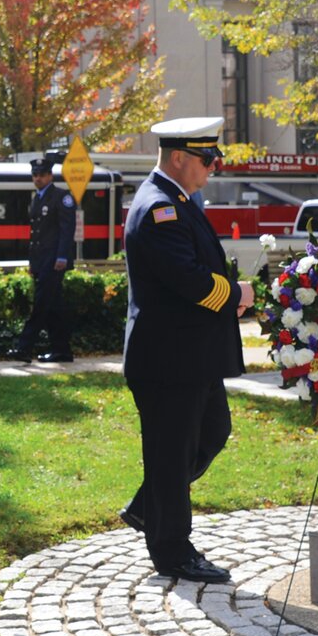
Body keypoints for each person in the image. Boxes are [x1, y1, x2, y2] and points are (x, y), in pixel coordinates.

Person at [120, 116, 252, 584]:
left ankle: (148, 505)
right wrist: (236, 295)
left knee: (212, 433)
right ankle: (172, 550)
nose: (212, 167)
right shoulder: (161, 208)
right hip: (168, 361)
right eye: (206, 158)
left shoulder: (177, 199)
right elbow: (189, 280)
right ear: (179, 157)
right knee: (172, 456)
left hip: (188, 356)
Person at [7, 157, 75, 363]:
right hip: (41, 261)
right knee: (53, 308)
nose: (38, 178)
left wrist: (62, 257)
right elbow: (35, 235)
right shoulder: (37, 198)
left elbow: (66, 230)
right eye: (35, 175)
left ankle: (24, 348)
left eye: (42, 175)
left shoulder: (62, 197)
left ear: (50, 176)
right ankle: (62, 351)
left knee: (40, 305)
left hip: (54, 260)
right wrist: (32, 263)